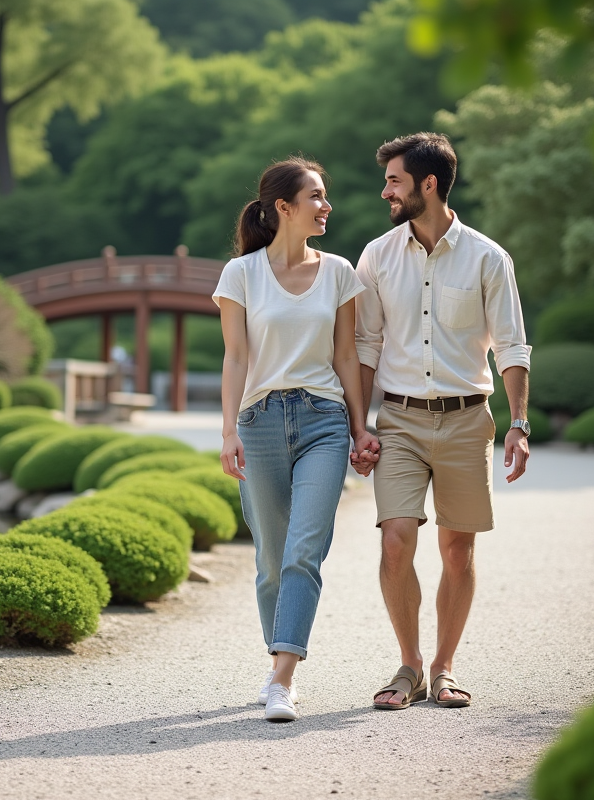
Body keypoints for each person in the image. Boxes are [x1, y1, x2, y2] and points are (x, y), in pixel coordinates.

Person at [353, 132, 532, 710]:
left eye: (395, 181)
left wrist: (519, 423)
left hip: (465, 420)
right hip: (400, 421)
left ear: (428, 185)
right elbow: (365, 345)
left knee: (458, 551)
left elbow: (511, 346)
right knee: (396, 541)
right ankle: (407, 665)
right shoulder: (377, 256)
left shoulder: (488, 257)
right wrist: (360, 425)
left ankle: (444, 665)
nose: (386, 192)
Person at [215, 157, 379, 722]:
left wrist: (361, 427)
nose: (326, 205)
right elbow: (235, 358)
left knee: (304, 552)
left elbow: (345, 355)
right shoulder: (241, 275)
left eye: (325, 195)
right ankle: (276, 663)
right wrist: (228, 428)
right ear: (283, 207)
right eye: (315, 196)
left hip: (323, 421)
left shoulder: (338, 272)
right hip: (258, 421)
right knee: (269, 560)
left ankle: (282, 678)